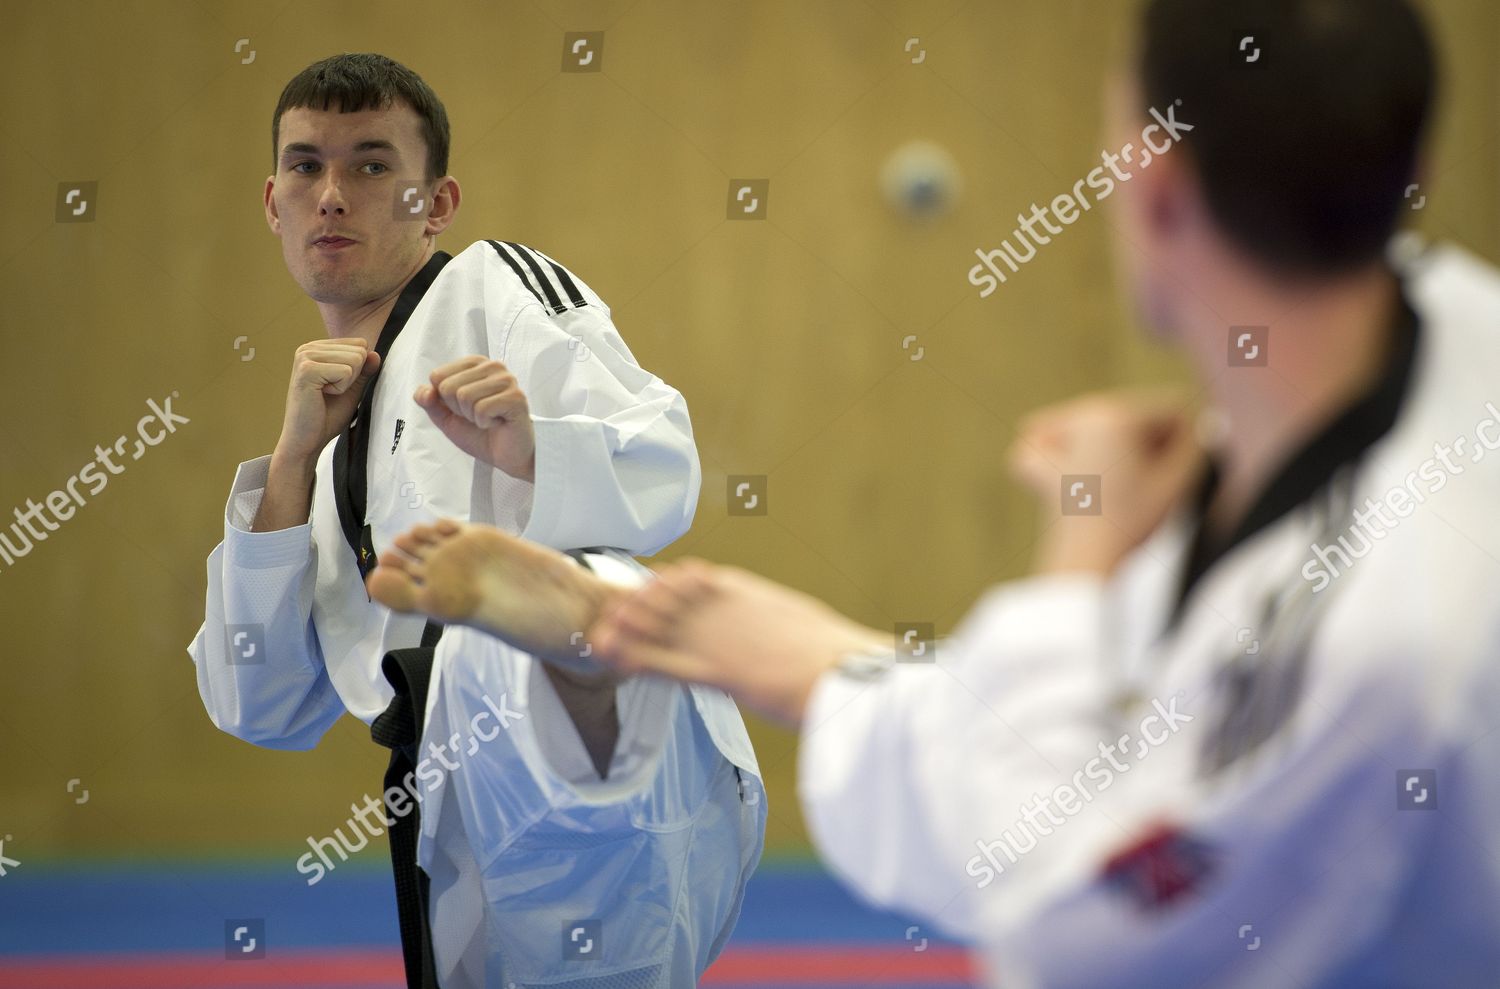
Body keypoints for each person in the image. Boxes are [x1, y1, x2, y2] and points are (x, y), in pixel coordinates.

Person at [366, 1, 1500, 985]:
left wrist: (1073, 563)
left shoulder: (1371, 644)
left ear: (1153, 189)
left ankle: (680, 659)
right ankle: (699, 659)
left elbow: (1071, 919)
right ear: (1411, 179)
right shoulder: (1454, 326)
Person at [185, 53, 764, 989]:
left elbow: (665, 469)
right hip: (449, 794)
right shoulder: (327, 458)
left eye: (372, 165)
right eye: (306, 166)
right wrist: (290, 465)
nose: (332, 195)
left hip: (592, 764)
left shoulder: (491, 289)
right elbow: (259, 701)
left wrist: (531, 447)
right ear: (272, 201)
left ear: (437, 202)